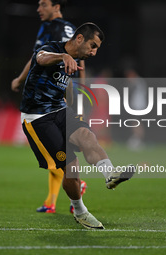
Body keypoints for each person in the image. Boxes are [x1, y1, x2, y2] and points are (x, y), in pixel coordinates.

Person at [20, 22, 135, 229]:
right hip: (37, 118)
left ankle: (110, 174)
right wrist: (62, 57)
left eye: (97, 48)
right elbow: (40, 58)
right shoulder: (51, 49)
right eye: (93, 45)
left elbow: (67, 88)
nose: (94, 52)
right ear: (79, 38)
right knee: (71, 167)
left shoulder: (76, 61)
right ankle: (80, 211)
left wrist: (74, 109)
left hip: (61, 111)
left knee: (87, 137)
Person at [12, 0, 86, 214]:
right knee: (58, 152)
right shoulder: (48, 27)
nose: (38, 9)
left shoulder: (65, 29)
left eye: (43, 4)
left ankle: (74, 191)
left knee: (61, 154)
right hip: (50, 98)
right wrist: (21, 79)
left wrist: (78, 97)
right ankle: (52, 201)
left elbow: (76, 62)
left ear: (57, 6)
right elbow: (37, 58)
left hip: (55, 99)